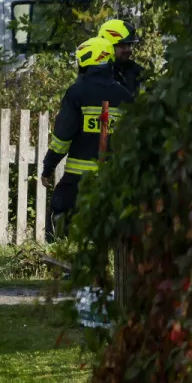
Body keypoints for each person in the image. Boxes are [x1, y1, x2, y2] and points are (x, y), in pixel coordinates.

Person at [41, 36, 135, 239]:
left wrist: (49, 166)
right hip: (113, 178)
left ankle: (57, 258)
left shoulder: (77, 93)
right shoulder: (125, 95)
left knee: (60, 210)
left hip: (78, 178)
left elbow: (62, 137)